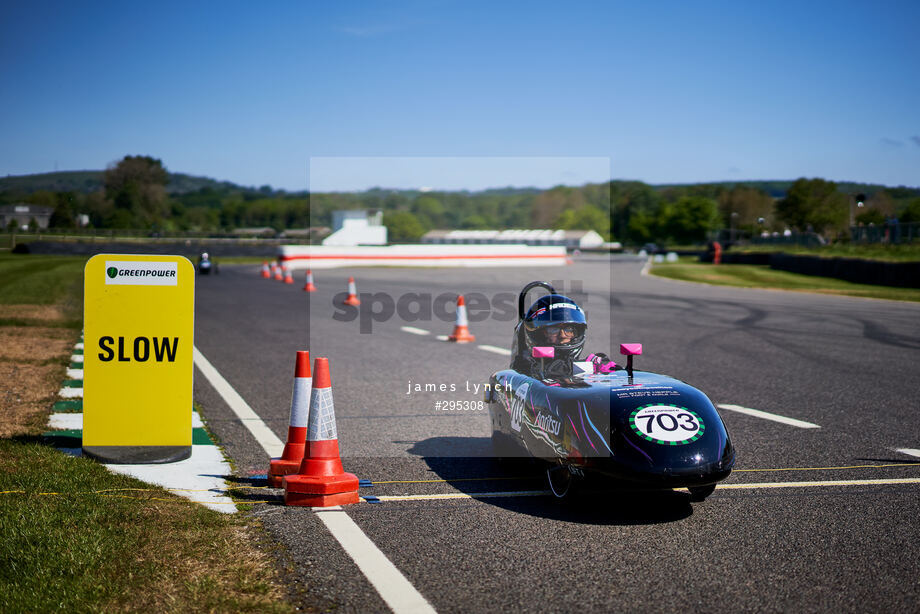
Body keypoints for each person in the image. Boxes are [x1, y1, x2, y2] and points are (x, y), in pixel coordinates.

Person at [510, 293, 587, 376]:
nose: (562, 335)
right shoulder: (526, 367)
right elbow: (552, 369)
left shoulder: (576, 368)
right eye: (554, 329)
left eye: (569, 329)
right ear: (540, 334)